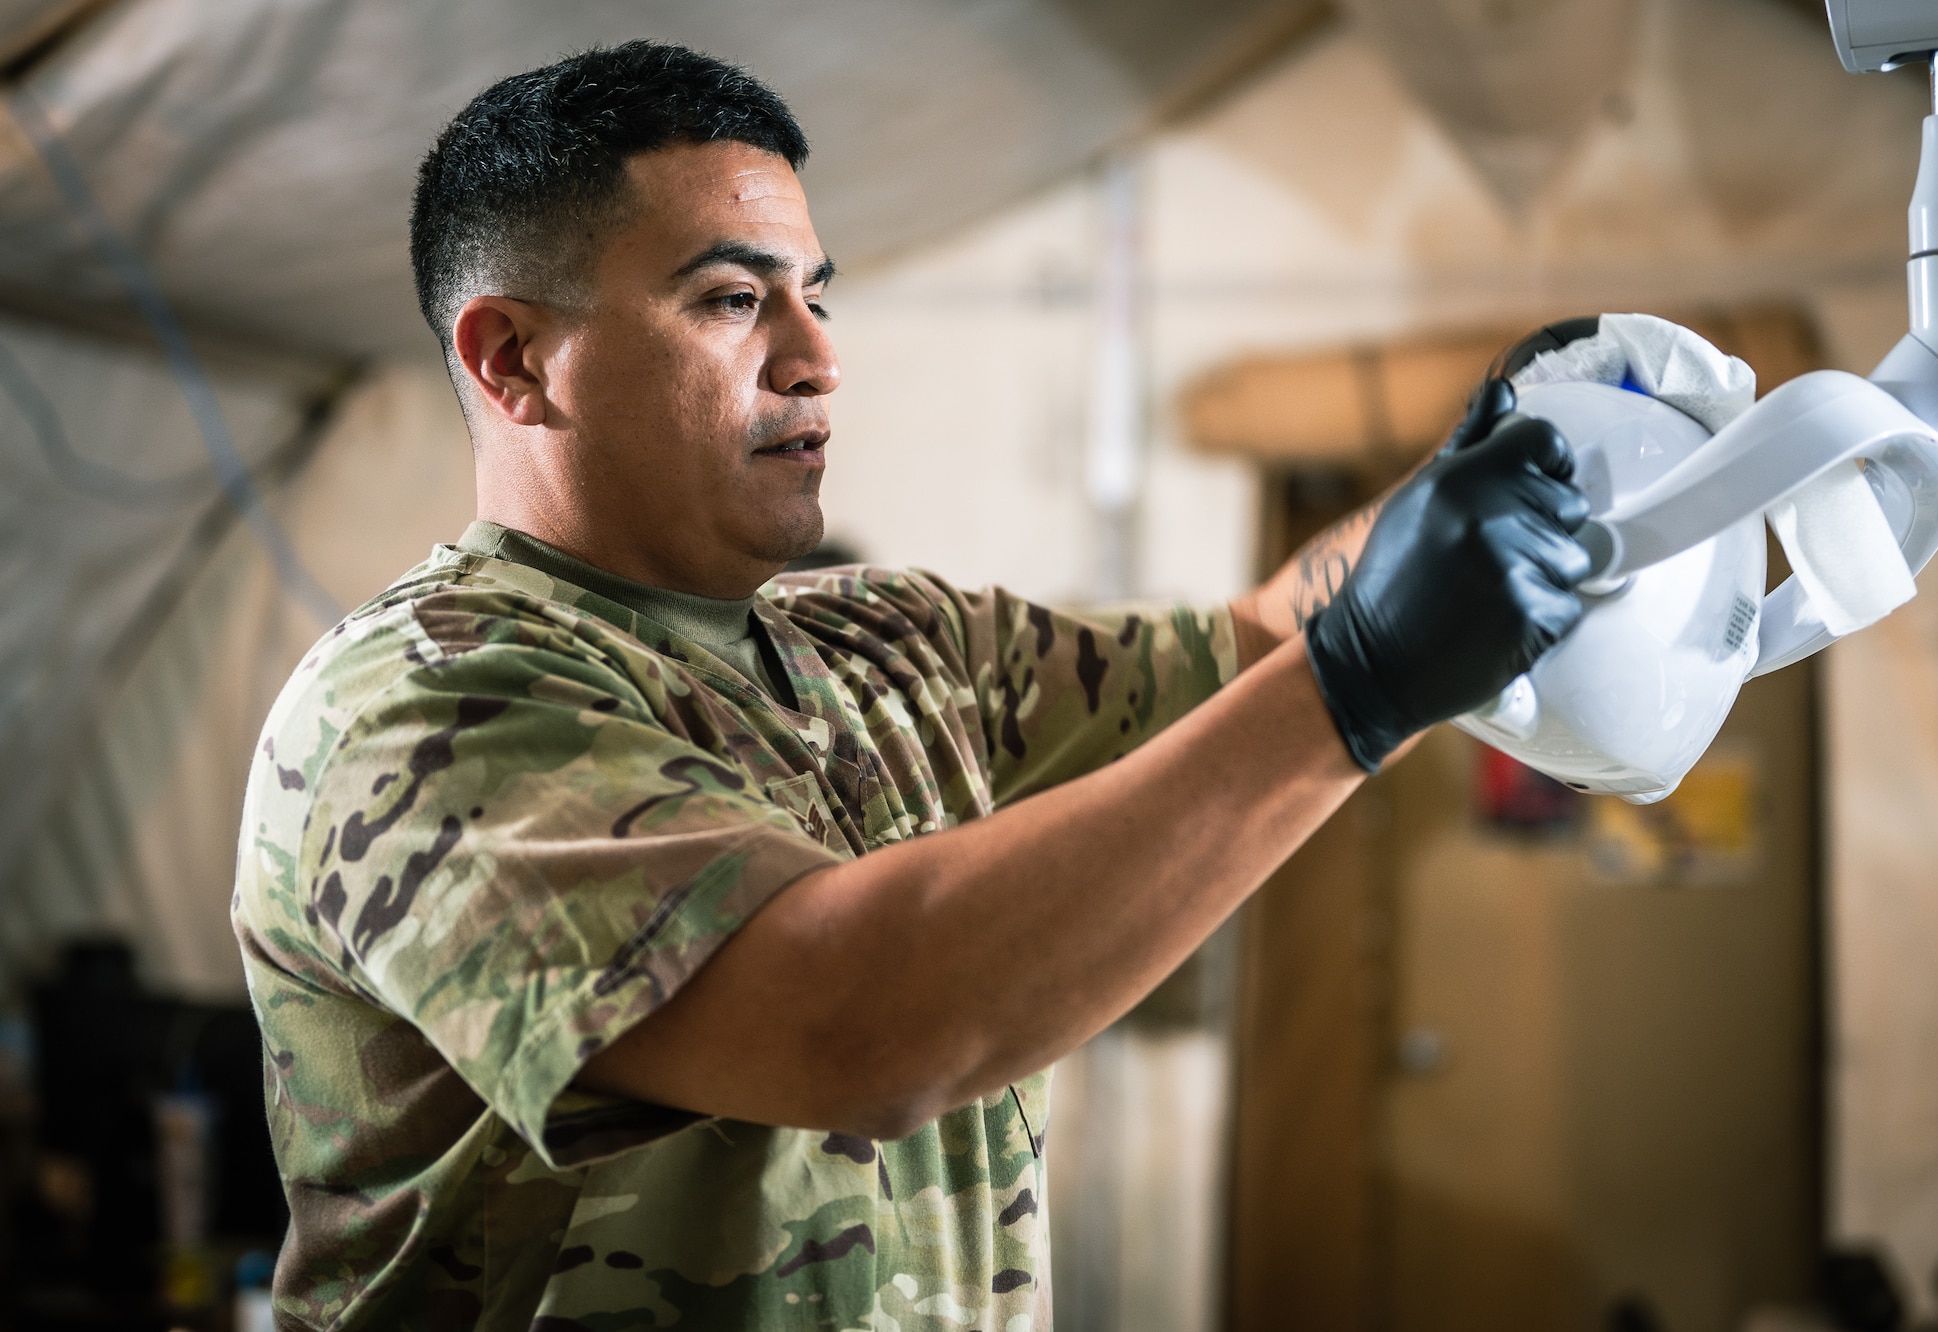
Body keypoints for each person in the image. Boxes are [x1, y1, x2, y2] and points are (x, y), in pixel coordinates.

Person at [232, 40, 1590, 1331]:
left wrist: (1496, 467)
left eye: (816, 292)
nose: (816, 355)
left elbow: (1254, 642)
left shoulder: (886, 646)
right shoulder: (422, 705)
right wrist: (1357, 689)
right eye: (728, 297)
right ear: (514, 360)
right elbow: (856, 1025)